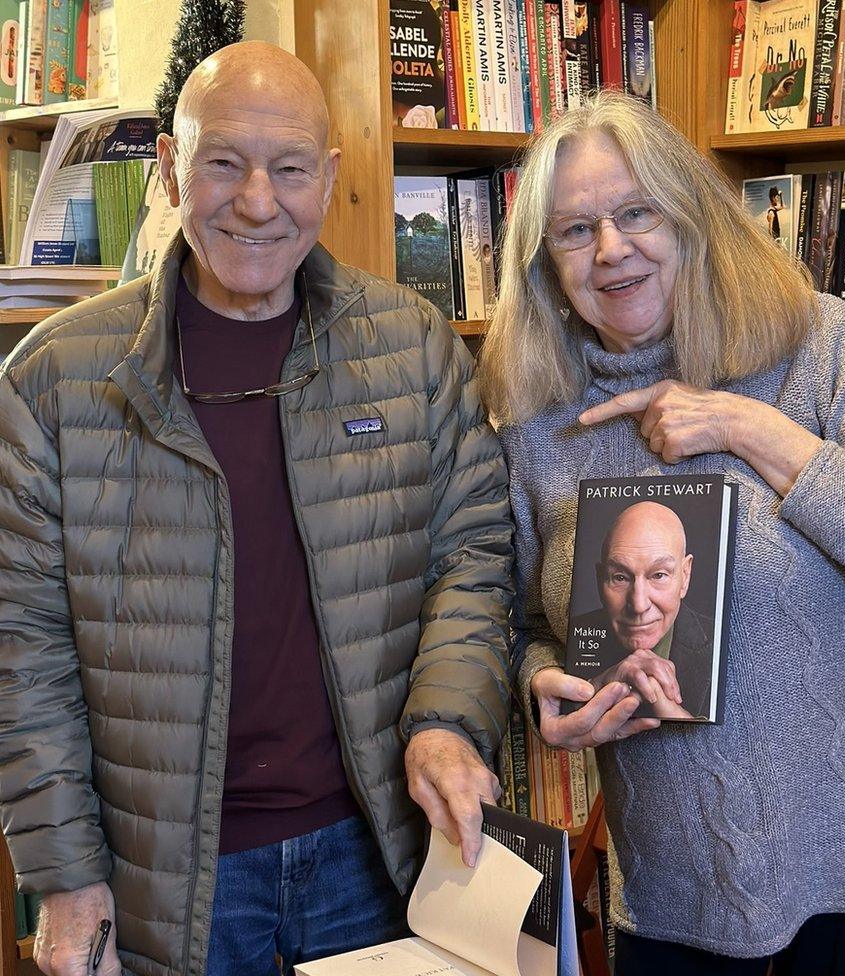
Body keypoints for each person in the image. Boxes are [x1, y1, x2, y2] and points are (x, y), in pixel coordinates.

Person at [0, 42, 513, 976]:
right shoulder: (51, 380)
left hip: (380, 854)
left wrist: (446, 721)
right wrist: (65, 878)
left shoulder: (416, 347)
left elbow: (473, 559)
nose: (257, 202)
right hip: (167, 877)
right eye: (223, 163)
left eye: (288, 170)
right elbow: (19, 650)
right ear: (168, 167)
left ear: (329, 176)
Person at [479, 89, 845, 975]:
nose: (612, 250)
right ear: (544, 266)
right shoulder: (534, 429)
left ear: (692, 218)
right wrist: (542, 686)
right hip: (677, 881)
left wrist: (749, 430)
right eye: (574, 231)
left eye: (637, 213)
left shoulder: (816, 343)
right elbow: (524, 626)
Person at [573, 501, 710, 720]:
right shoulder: (570, 635)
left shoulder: (723, 645)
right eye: (620, 577)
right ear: (600, 580)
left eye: (658, 575)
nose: (638, 605)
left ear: (685, 577)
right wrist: (596, 686)